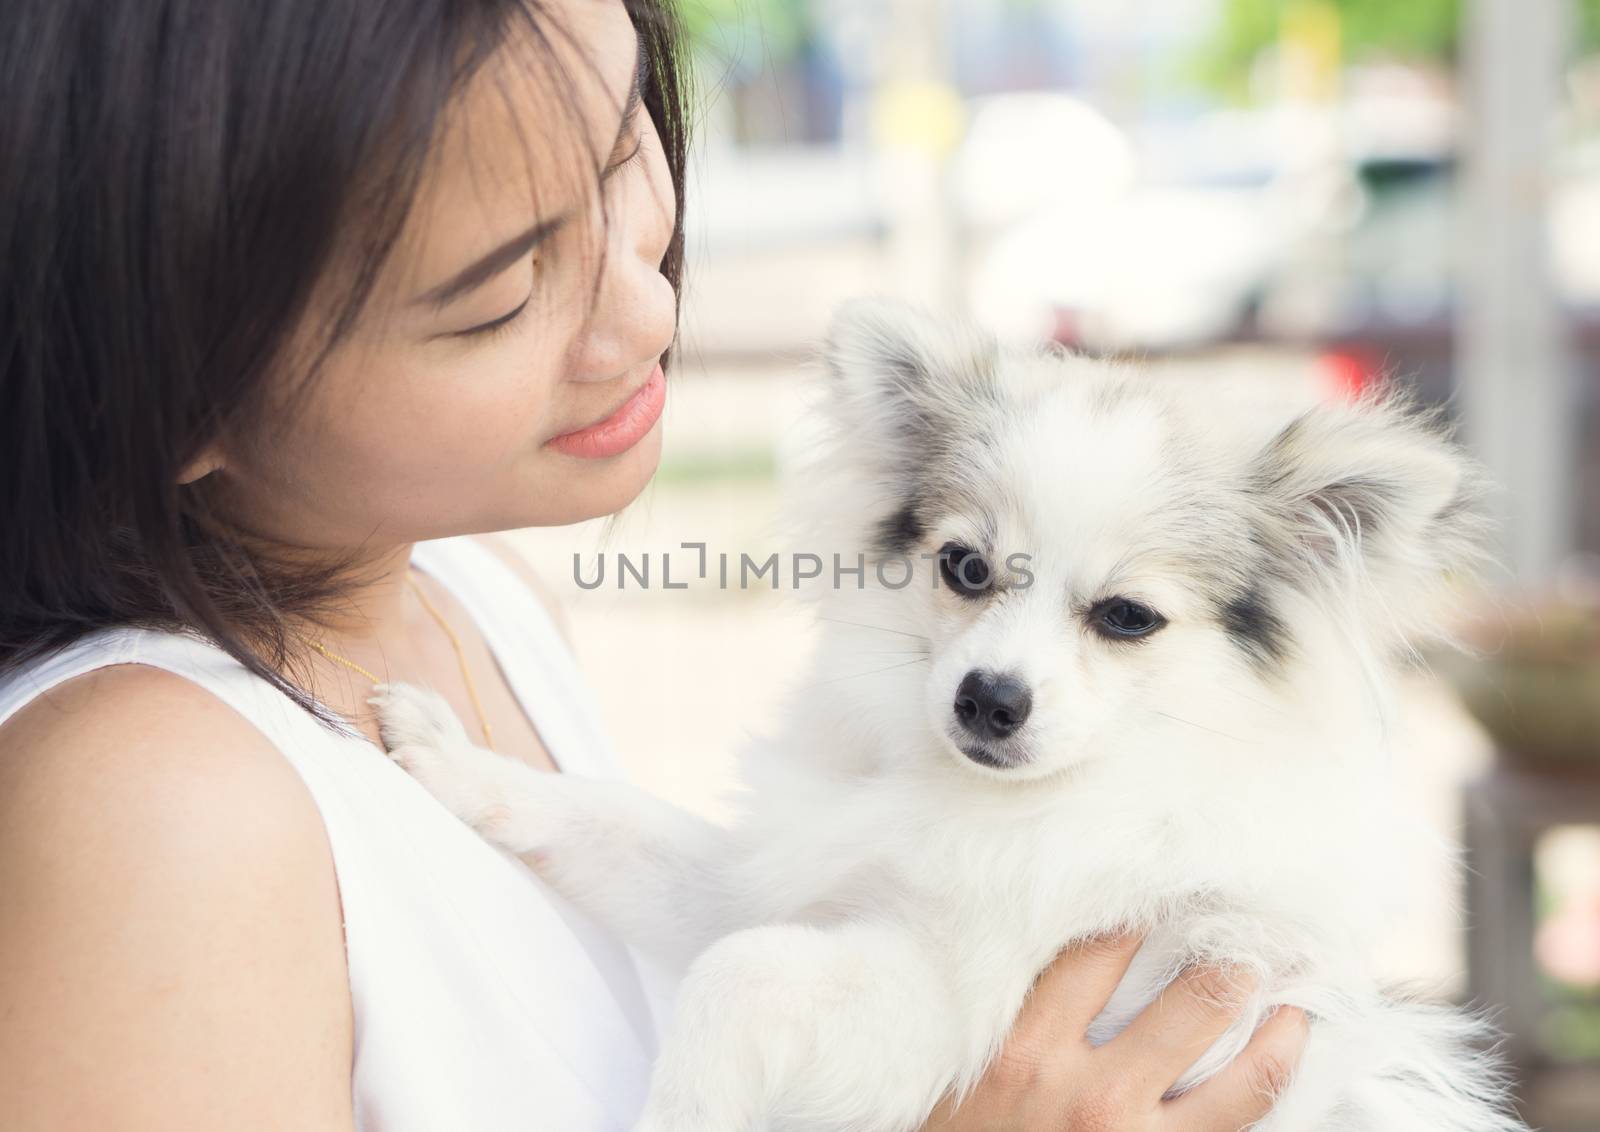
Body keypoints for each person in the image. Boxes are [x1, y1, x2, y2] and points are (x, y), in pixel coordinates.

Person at [0, 1, 1308, 1128]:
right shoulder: (154, 809)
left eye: (629, 160)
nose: (650, 308)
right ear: (171, 399)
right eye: (506, 293)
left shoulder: (480, 603)